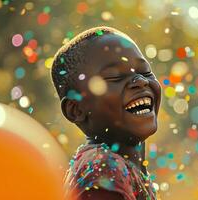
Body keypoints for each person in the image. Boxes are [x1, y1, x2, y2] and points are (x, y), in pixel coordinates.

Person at [51, 26, 161, 200]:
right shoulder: (103, 168)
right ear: (76, 109)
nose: (140, 81)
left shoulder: (116, 167)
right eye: (115, 77)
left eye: (145, 72)